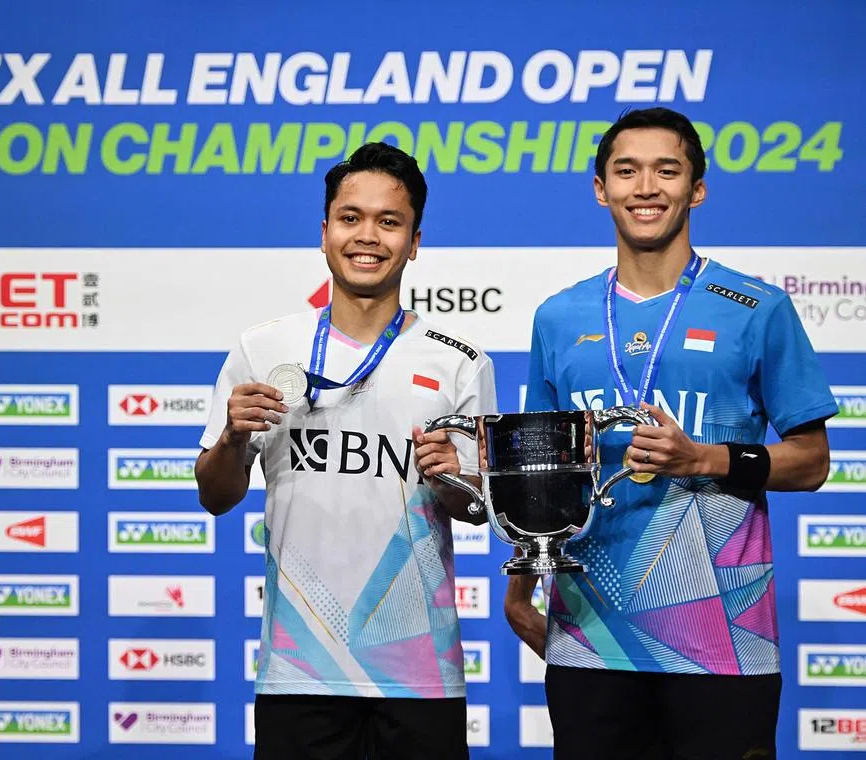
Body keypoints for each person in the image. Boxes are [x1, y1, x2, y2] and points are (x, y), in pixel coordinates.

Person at [503, 107, 837, 760]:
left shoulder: (757, 307)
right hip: (591, 637)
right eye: (627, 171)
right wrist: (519, 592)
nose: (647, 187)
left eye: (667, 170)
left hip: (722, 643)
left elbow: (813, 461)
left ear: (698, 188)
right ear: (601, 189)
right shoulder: (558, 317)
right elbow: (539, 476)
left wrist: (704, 457)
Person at [195, 141, 497, 760]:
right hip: (298, 666)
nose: (368, 236)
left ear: (414, 241)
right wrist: (230, 438)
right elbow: (215, 495)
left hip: (418, 667)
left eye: (390, 222)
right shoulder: (263, 347)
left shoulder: (459, 362)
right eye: (351, 217)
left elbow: (479, 509)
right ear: (325, 231)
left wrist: (454, 481)